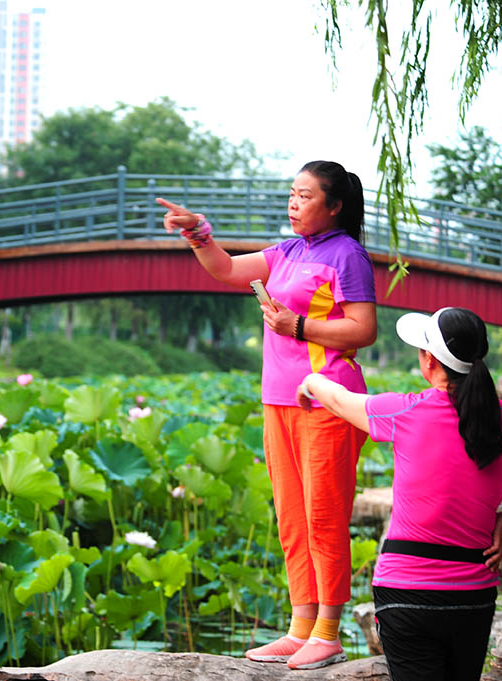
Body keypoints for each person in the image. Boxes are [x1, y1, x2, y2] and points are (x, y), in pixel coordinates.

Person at [157, 160, 377, 670]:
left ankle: (329, 632)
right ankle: (300, 628)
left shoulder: (348, 255)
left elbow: (363, 329)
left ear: (335, 205)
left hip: (327, 398)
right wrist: (197, 230)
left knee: (324, 516)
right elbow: (228, 269)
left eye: (305, 196)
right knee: (293, 520)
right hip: (278, 400)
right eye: (292, 194)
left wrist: (297, 326)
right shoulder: (289, 251)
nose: (293, 203)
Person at [295, 307, 502, 681]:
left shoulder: (404, 411)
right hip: (472, 595)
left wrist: (309, 380)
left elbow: (337, 399)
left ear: (430, 359)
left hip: (404, 592)